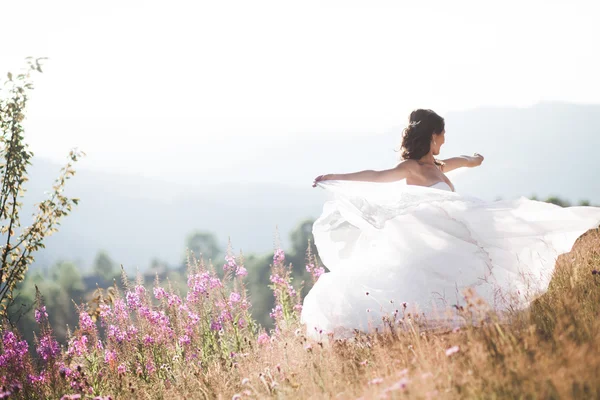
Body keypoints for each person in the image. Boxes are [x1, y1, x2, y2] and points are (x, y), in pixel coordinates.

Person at [300, 109, 600, 339]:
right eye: (442, 134)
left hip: (455, 238)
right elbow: (376, 176)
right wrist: (334, 178)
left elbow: (456, 161)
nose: (444, 140)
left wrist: (472, 160)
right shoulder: (412, 168)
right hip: (432, 244)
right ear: (433, 136)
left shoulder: (437, 167)